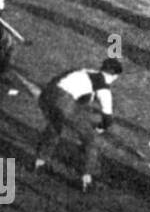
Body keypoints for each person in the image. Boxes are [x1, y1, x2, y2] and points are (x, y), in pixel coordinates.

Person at [33, 57, 123, 192]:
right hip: (64, 101)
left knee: (54, 126)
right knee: (91, 139)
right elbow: (108, 119)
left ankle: (39, 162)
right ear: (115, 76)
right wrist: (99, 128)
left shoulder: (85, 71)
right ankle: (86, 180)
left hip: (47, 95)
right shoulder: (104, 88)